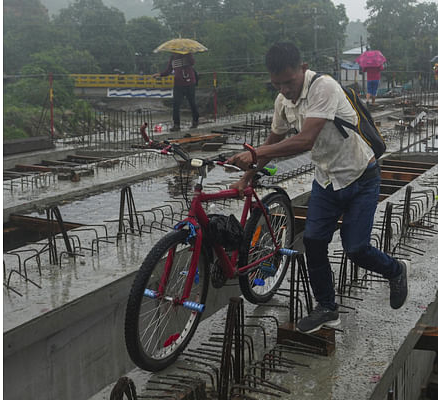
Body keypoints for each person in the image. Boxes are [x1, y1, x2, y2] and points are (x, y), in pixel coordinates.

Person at [226, 42, 409, 333]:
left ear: (302, 68)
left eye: (289, 81)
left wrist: (256, 154)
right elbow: (274, 142)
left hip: (361, 177)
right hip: (326, 179)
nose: (285, 89)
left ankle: (395, 270)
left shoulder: (323, 87)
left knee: (356, 247)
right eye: (277, 84)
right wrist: (248, 176)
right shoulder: (282, 102)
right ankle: (326, 307)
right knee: (313, 241)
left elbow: (306, 140)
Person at [153, 52, 200, 131]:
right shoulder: (173, 58)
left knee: (192, 103)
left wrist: (186, 55)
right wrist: (159, 74)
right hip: (178, 84)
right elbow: (168, 71)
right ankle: (176, 125)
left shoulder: (188, 54)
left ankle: (195, 121)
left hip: (189, 83)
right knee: (176, 104)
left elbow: (192, 62)